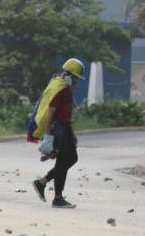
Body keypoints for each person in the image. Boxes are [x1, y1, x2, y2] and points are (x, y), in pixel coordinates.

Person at [31, 58, 85, 208]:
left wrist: (72, 133)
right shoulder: (60, 88)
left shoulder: (64, 88)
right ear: (68, 76)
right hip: (57, 131)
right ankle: (58, 198)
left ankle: (42, 183)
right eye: (75, 78)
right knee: (62, 162)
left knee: (72, 158)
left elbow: (66, 115)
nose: (76, 82)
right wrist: (48, 136)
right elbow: (50, 112)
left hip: (65, 129)